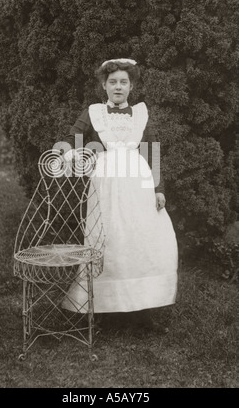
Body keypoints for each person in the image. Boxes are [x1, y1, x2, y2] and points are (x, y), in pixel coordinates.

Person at [60, 58, 178, 328]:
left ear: (131, 86)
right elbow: (71, 138)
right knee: (108, 241)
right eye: (112, 82)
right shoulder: (94, 113)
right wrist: (70, 151)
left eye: (123, 82)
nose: (118, 87)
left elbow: (152, 152)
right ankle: (101, 310)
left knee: (141, 241)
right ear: (104, 85)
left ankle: (142, 308)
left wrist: (158, 189)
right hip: (107, 185)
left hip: (139, 185)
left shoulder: (140, 114)